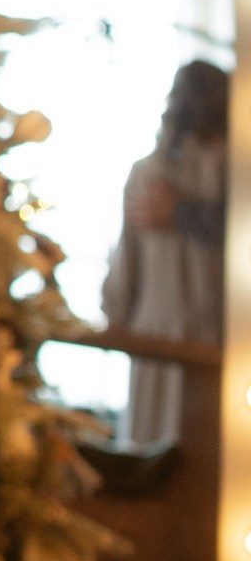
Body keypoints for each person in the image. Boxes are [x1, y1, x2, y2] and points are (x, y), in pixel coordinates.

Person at [104, 60, 229, 448]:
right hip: (201, 335)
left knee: (154, 455)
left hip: (163, 336)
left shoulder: (147, 173)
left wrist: (116, 313)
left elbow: (123, 276)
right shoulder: (230, 174)